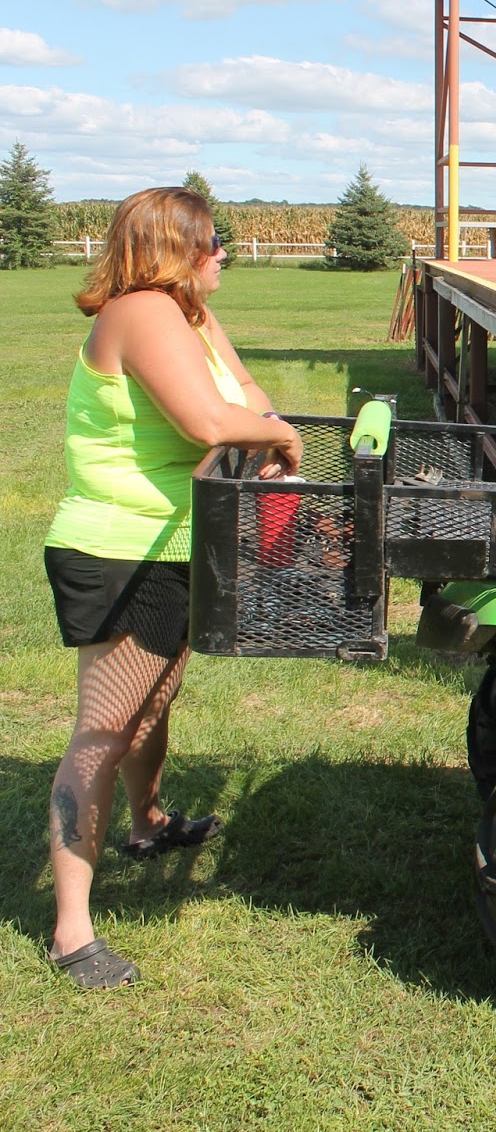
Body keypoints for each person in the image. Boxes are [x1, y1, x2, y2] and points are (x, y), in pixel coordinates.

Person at [43, 188, 302, 988]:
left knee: (156, 701)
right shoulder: (143, 310)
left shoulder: (187, 312)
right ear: (176, 248)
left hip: (180, 539)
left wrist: (263, 420)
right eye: (214, 241)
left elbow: (246, 394)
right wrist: (281, 435)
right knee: (104, 727)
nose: (224, 253)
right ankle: (70, 932)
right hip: (123, 550)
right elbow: (209, 421)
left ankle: (147, 824)